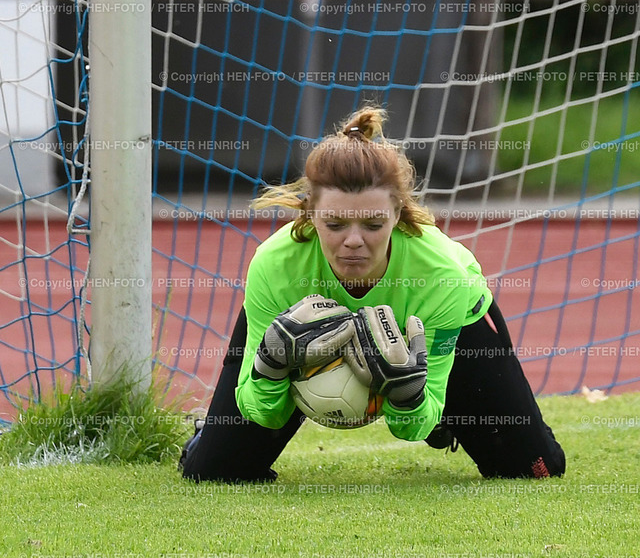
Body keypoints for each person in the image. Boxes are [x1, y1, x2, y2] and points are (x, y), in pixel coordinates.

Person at [180, 105, 566, 483]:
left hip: (455, 326)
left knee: (533, 469)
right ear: (310, 213)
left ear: (398, 214)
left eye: (372, 223)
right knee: (216, 471)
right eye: (334, 223)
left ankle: (450, 412)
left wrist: (411, 396)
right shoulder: (274, 266)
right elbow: (263, 413)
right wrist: (269, 367)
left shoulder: (443, 276)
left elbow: (411, 429)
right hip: (295, 336)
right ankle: (206, 433)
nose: (353, 241)